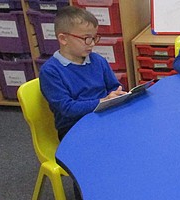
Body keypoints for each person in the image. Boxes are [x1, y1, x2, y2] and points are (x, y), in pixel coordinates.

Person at [39, 6, 126, 141]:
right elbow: (68, 109)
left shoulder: (98, 60)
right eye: (86, 38)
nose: (91, 44)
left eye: (94, 38)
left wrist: (118, 95)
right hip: (74, 128)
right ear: (63, 39)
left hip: (103, 117)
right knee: (116, 142)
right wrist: (103, 101)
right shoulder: (50, 71)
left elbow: (114, 87)